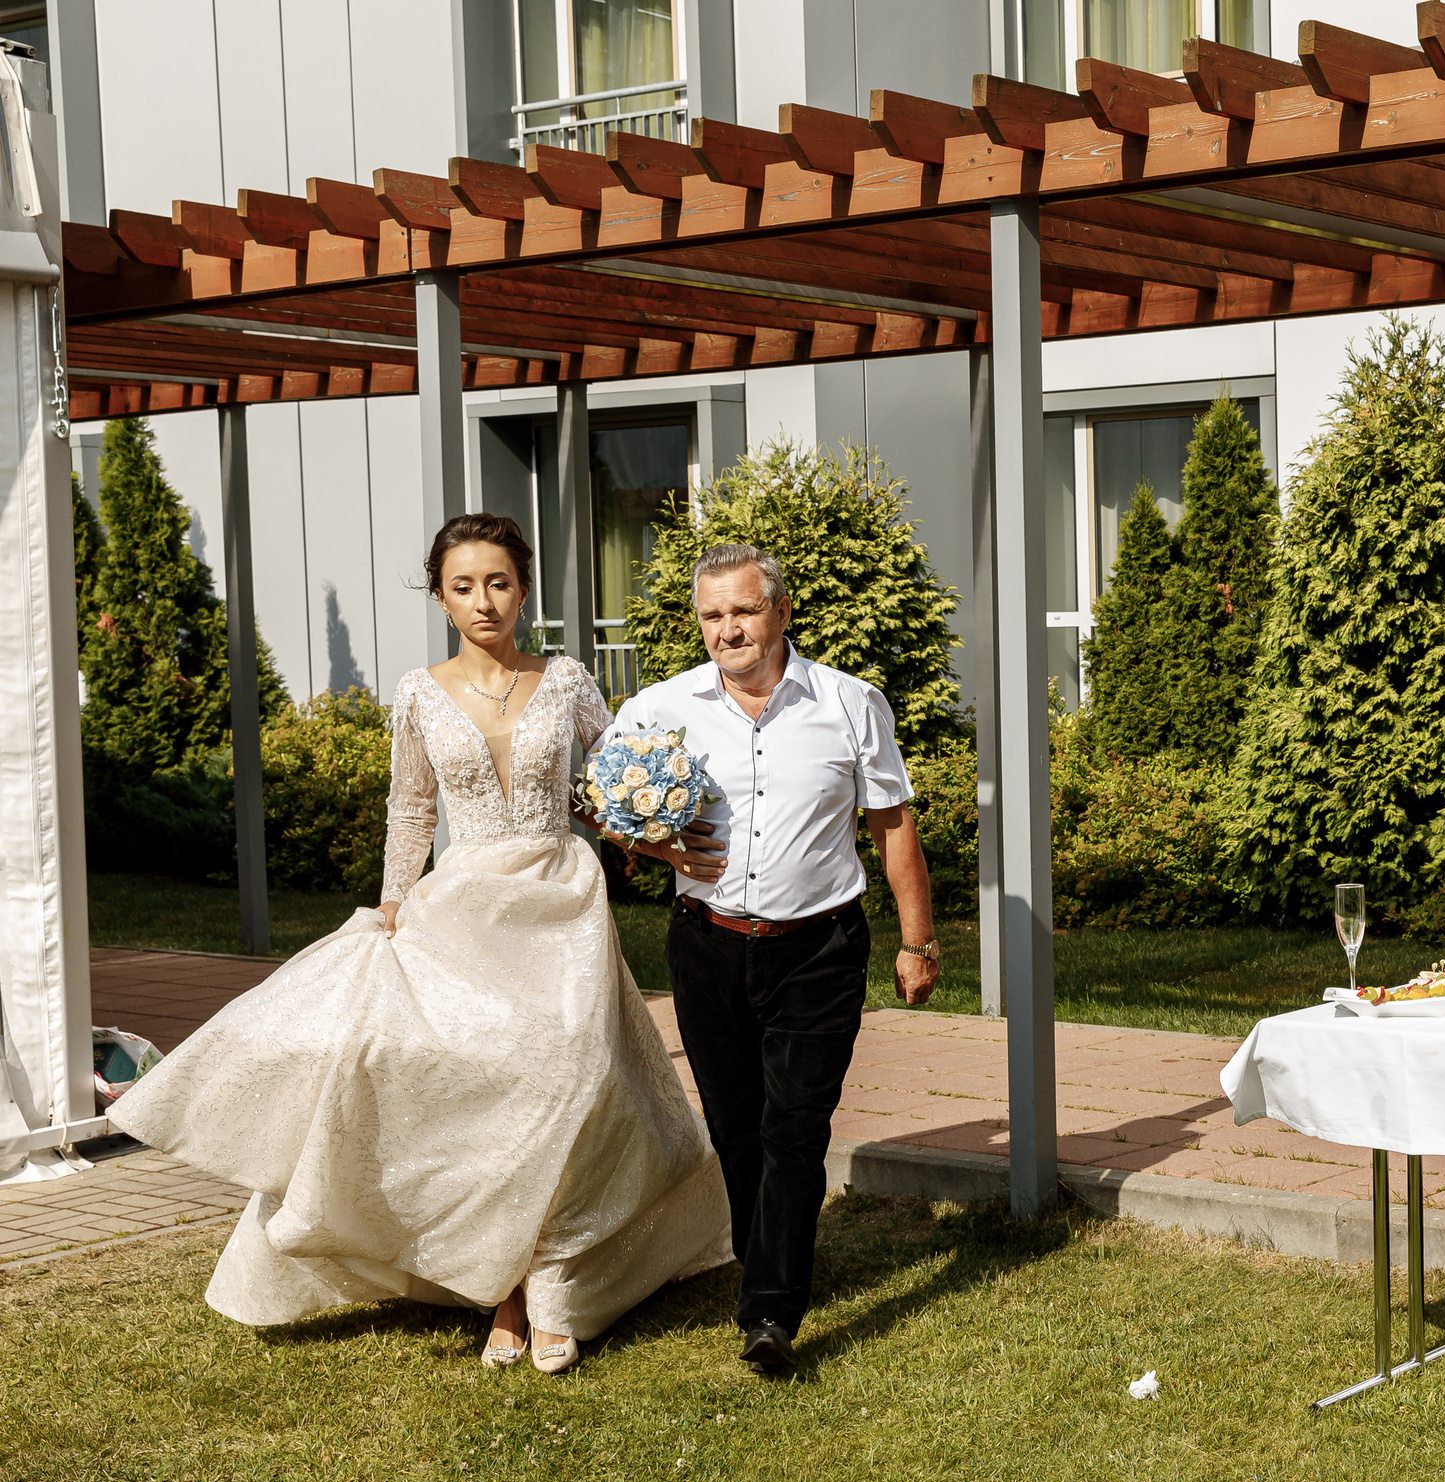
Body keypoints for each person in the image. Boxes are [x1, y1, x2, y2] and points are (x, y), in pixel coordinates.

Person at [110, 515, 732, 1375]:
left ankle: (556, 1282)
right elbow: (412, 808)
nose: (485, 600)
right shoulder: (418, 692)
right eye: (464, 585)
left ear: (524, 588)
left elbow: (602, 789)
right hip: (461, 907)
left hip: (560, 902)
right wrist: (395, 903)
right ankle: (506, 1293)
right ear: (441, 598)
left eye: (500, 582)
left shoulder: (569, 680)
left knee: (571, 1076)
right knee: (473, 1084)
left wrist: (658, 840)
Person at [604, 542, 938, 1378]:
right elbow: (604, 804)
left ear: (781, 612)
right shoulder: (660, 706)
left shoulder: (851, 704)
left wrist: (917, 939)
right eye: (713, 615)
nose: (729, 629)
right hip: (708, 947)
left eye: (744, 611)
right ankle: (773, 1264)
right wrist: (655, 846)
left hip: (820, 948)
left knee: (796, 1127)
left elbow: (893, 826)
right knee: (735, 1126)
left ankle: (770, 1312)